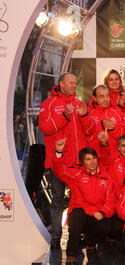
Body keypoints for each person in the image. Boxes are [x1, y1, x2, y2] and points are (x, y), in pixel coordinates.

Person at [38, 72, 92, 249]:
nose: (74, 86)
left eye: (75, 83)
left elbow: (89, 130)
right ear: (61, 83)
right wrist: (65, 117)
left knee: (81, 200)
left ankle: (80, 236)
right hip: (58, 161)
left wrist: (84, 116)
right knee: (58, 199)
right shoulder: (49, 104)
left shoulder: (79, 103)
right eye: (71, 83)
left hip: (78, 162)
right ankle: (55, 238)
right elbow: (45, 128)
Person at [53, 138, 115, 264]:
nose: (91, 162)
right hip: (81, 214)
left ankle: (90, 244)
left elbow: (110, 201)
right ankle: (71, 252)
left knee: (106, 226)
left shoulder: (106, 176)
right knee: (77, 213)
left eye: (93, 158)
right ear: (82, 162)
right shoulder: (77, 175)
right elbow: (60, 171)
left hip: (96, 214)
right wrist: (59, 152)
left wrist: (102, 213)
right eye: (87, 159)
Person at [85, 84, 123, 155]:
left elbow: (123, 135)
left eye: (107, 96)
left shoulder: (117, 112)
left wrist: (113, 130)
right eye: (101, 96)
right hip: (93, 157)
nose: (106, 99)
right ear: (95, 98)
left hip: (112, 156)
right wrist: (101, 126)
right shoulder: (88, 113)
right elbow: (85, 136)